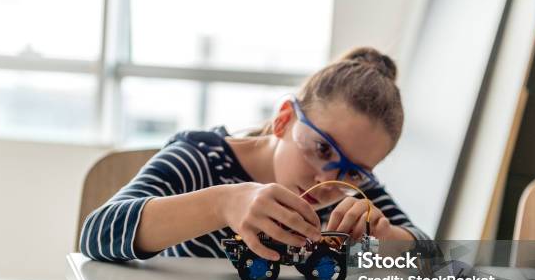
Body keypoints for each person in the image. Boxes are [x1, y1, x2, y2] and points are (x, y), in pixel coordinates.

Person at [80, 46, 429, 263]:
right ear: (283, 119)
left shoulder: (352, 191)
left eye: (354, 171)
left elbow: (446, 271)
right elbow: (96, 234)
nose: (328, 181)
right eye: (322, 148)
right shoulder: (203, 159)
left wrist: (389, 241)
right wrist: (222, 204)